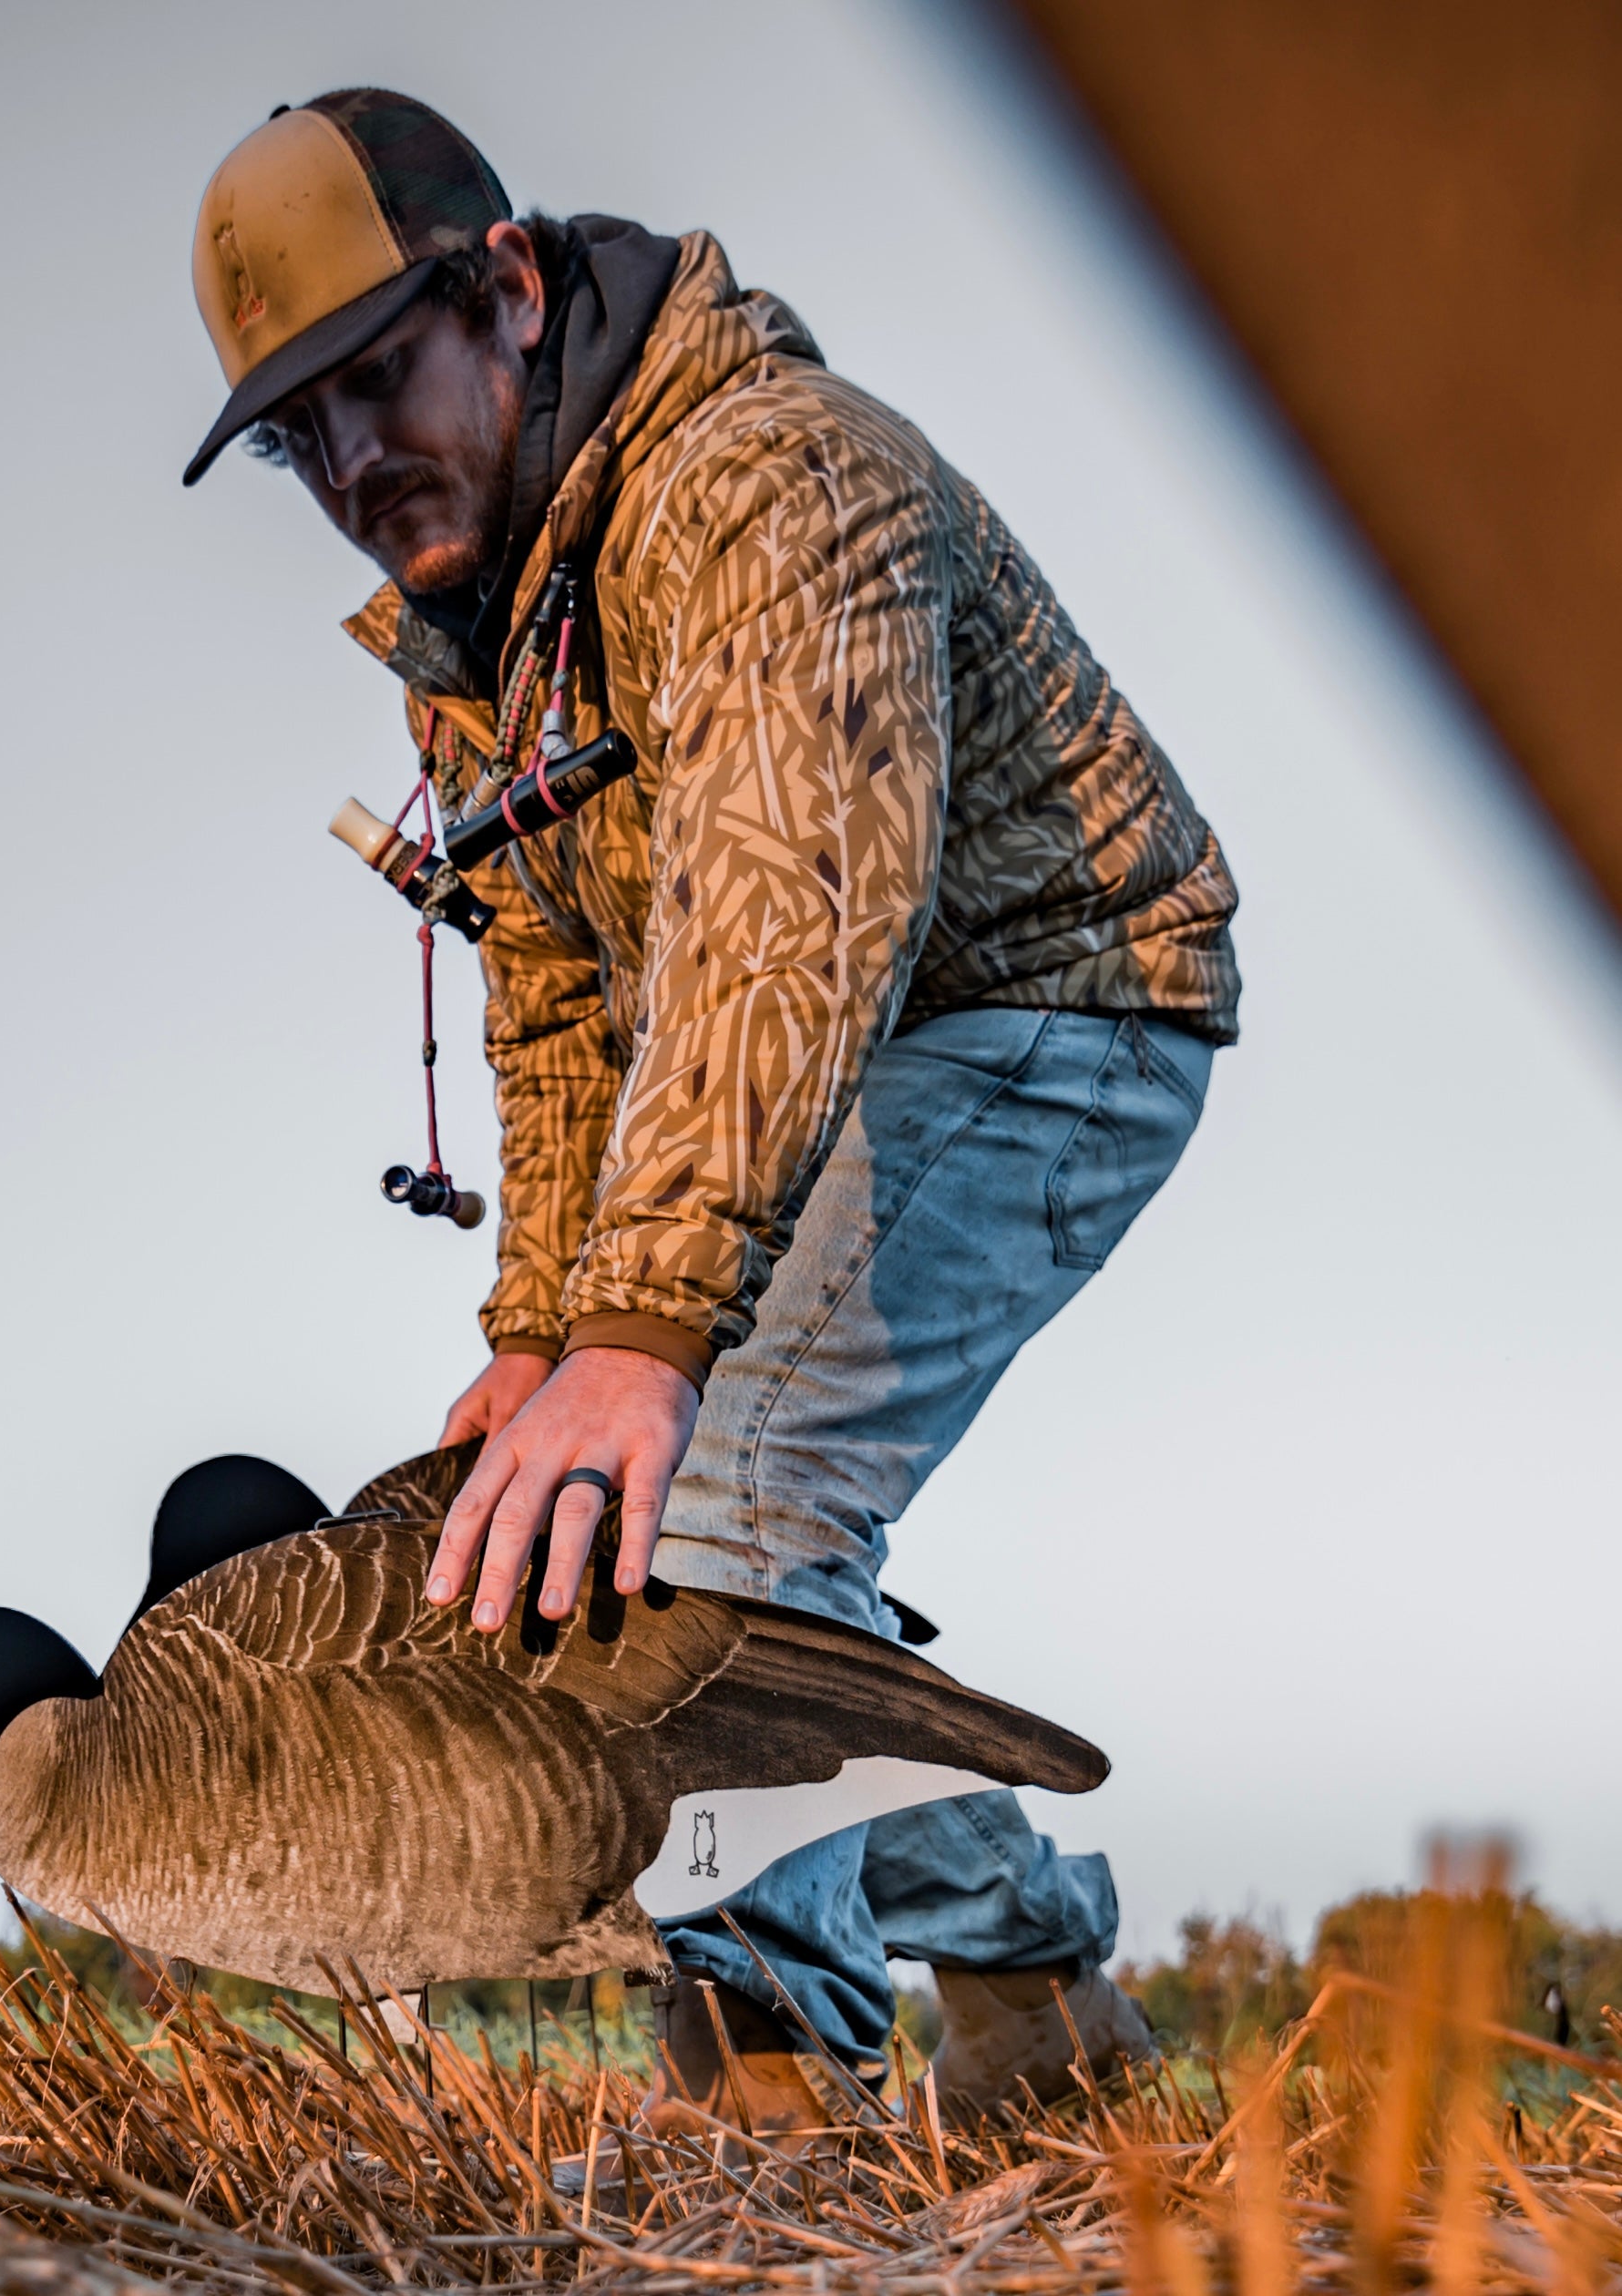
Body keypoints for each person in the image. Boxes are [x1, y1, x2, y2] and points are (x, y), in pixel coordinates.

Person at [181, 89, 1239, 2122]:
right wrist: (536, 1334)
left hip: (1042, 997)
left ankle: (770, 2125)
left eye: (371, 378)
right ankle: (1042, 2001)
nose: (345, 458)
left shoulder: (770, 485)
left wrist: (642, 1336)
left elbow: (794, 912)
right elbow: (567, 993)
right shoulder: (475, 633)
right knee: (634, 1547)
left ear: (503, 291)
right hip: (790, 1064)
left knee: (704, 1534)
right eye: (295, 432)